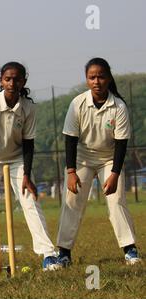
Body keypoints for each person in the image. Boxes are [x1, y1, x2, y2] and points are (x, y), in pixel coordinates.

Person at [0, 62, 60, 272]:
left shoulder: (29, 107)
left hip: (16, 160)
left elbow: (29, 143)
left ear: (24, 81)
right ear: (1, 81)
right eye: (7, 79)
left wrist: (26, 175)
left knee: (30, 202)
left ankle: (49, 255)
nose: (12, 83)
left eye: (16, 79)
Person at [56, 57, 141, 266]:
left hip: (109, 159)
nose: (97, 81)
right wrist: (70, 172)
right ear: (86, 80)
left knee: (117, 201)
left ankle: (130, 250)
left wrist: (114, 174)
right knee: (72, 202)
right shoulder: (78, 103)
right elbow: (70, 140)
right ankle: (64, 253)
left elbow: (121, 144)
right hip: (83, 159)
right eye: (92, 77)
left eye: (101, 77)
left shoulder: (119, 106)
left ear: (109, 78)